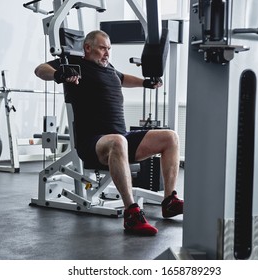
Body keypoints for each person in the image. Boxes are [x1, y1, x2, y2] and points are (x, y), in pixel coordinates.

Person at [34, 30, 183, 236]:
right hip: (92, 142)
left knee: (170, 137)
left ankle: (169, 201)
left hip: (120, 138)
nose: (107, 53)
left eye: (109, 49)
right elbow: (40, 69)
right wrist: (60, 74)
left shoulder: (109, 68)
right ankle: (131, 213)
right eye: (103, 48)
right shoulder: (74, 65)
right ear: (88, 48)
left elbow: (122, 79)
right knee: (118, 141)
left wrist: (145, 83)